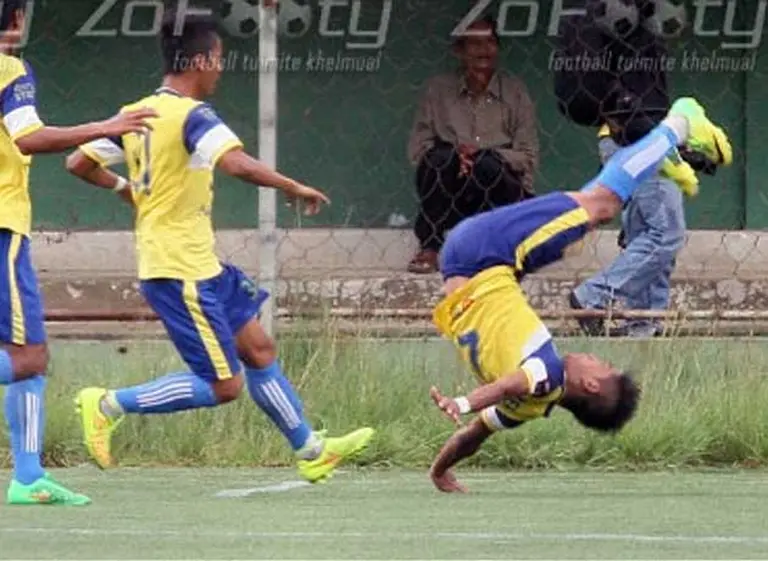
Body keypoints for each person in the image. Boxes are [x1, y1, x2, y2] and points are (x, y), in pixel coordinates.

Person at [64, 10, 374, 484]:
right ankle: (107, 404)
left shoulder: (138, 113)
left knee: (260, 348)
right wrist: (292, 186)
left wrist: (124, 188)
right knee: (225, 385)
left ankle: (311, 449)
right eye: (220, 59)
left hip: (201, 262)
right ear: (201, 60)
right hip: (177, 268)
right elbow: (236, 164)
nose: (221, 69)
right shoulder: (192, 116)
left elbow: (77, 164)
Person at [426, 97, 729, 493]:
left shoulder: (545, 374)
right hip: (476, 269)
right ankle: (650, 157)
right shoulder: (528, 411)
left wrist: (464, 402)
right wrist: (440, 470)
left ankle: (678, 124)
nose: (593, 357)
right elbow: (474, 437)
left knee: (600, 207)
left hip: (483, 252)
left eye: (601, 365)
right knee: (581, 224)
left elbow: (506, 386)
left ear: (588, 386)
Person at [0, 0, 157, 505]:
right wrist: (105, 125)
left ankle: (27, 477)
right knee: (28, 355)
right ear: (18, 19)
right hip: (3, 227)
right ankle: (26, 477)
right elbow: (27, 137)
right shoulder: (9, 67)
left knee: (32, 357)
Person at [554, 2, 726, 336]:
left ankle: (644, 325)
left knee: (645, 234)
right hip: (630, 137)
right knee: (666, 233)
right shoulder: (617, 17)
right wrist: (652, 134)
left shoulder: (642, 19)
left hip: (639, 134)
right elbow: (616, 92)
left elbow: (645, 93)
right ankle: (595, 296)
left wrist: (674, 142)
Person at [406, 16, 538, 274]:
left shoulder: (515, 92)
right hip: (452, 188)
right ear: (459, 50)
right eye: (474, 44)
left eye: (489, 42)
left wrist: (483, 157)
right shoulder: (438, 90)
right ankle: (430, 247)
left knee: (488, 164)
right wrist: (456, 157)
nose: (483, 50)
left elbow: (528, 156)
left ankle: (500, 250)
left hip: (497, 189)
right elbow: (418, 150)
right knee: (439, 161)